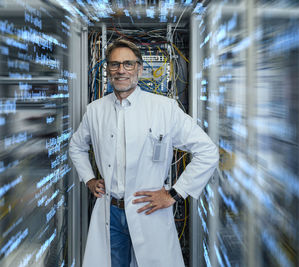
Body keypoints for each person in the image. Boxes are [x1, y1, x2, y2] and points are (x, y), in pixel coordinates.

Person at [69, 38, 219, 267]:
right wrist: (89, 178)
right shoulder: (95, 111)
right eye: (114, 64)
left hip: (148, 209)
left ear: (139, 68)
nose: (121, 70)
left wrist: (175, 194)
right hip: (110, 211)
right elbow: (76, 147)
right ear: (107, 69)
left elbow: (208, 151)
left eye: (128, 64)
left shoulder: (164, 108)